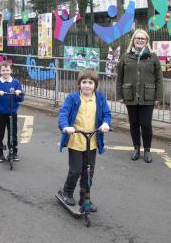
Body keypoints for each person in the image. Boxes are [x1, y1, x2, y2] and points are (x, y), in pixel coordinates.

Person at [58, 68, 111, 213]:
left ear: (95, 85)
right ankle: (67, 192)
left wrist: (106, 123)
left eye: (90, 83)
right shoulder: (73, 98)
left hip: (92, 141)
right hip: (76, 140)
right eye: (84, 82)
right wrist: (66, 126)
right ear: (79, 84)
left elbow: (107, 113)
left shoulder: (99, 98)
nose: (87, 85)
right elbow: (63, 113)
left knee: (88, 172)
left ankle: (85, 198)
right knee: (75, 170)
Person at [116, 29, 163, 163]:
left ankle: (147, 150)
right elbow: (120, 78)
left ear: (146, 41)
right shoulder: (125, 57)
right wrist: (120, 95)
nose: (140, 40)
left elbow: (159, 78)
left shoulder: (153, 57)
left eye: (143, 38)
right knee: (134, 124)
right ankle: (136, 148)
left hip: (148, 96)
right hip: (130, 95)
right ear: (133, 40)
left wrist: (158, 97)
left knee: (146, 124)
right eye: (138, 38)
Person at [0, 61, 24, 163]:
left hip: (12, 113)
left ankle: (13, 152)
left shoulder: (16, 82)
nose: (5, 72)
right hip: (0, 114)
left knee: (12, 134)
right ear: (0, 71)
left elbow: (21, 99)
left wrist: (19, 94)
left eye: (7, 70)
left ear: (11, 71)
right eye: (3, 70)